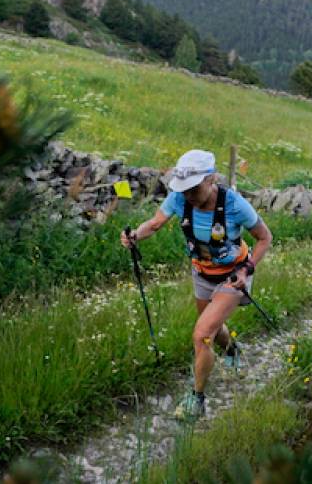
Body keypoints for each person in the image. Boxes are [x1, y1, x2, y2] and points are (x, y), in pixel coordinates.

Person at [121, 149, 273, 421]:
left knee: (202, 333)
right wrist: (135, 235)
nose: (188, 194)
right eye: (184, 189)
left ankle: (197, 399)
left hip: (233, 275)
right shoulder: (179, 198)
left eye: (194, 188)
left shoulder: (235, 204)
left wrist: (248, 268)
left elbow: (264, 238)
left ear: (211, 179)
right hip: (201, 274)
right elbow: (155, 224)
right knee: (212, 327)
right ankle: (232, 351)